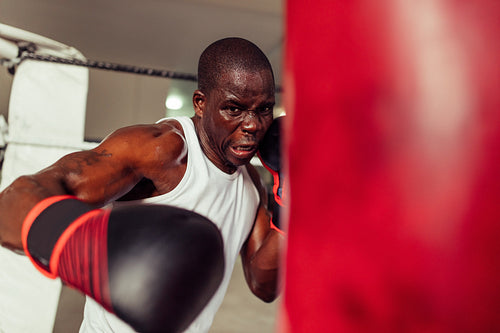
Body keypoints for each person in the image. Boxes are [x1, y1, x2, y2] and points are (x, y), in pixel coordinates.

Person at [0, 37, 284, 333]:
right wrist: (77, 249)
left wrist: (291, 203)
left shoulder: (249, 181)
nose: (253, 125)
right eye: (234, 109)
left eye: (264, 109)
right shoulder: (160, 150)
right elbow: (12, 200)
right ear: (200, 103)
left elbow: (264, 286)